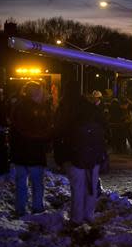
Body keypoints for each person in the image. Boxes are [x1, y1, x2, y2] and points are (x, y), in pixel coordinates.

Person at [54, 80, 107, 225]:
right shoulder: (92, 108)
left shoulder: (65, 108)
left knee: (77, 187)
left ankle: (77, 218)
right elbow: (104, 129)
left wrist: (59, 156)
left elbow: (58, 133)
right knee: (91, 186)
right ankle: (89, 215)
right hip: (93, 154)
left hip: (74, 155)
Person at [10, 82, 52, 216]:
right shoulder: (38, 109)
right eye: (40, 92)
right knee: (37, 182)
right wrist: (46, 136)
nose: (42, 94)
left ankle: (20, 209)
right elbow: (37, 131)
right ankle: (37, 207)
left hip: (20, 153)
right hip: (34, 152)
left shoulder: (18, 106)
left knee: (21, 182)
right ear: (34, 93)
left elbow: (16, 129)